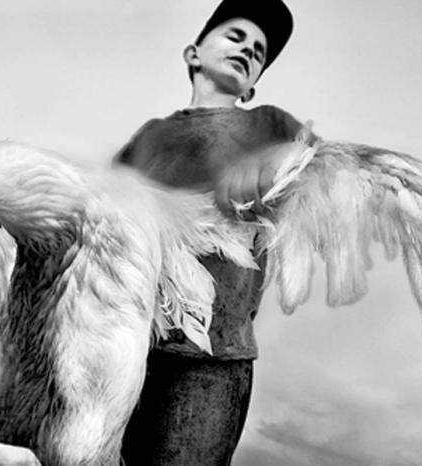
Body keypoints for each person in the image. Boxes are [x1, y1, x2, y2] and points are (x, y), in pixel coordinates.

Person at [115, 1, 311, 464]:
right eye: (235, 36)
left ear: (252, 85)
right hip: (126, 341)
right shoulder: (148, 137)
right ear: (193, 54)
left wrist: (282, 165)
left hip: (210, 357)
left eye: (258, 52)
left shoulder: (269, 125)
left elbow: (322, 174)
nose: (247, 49)